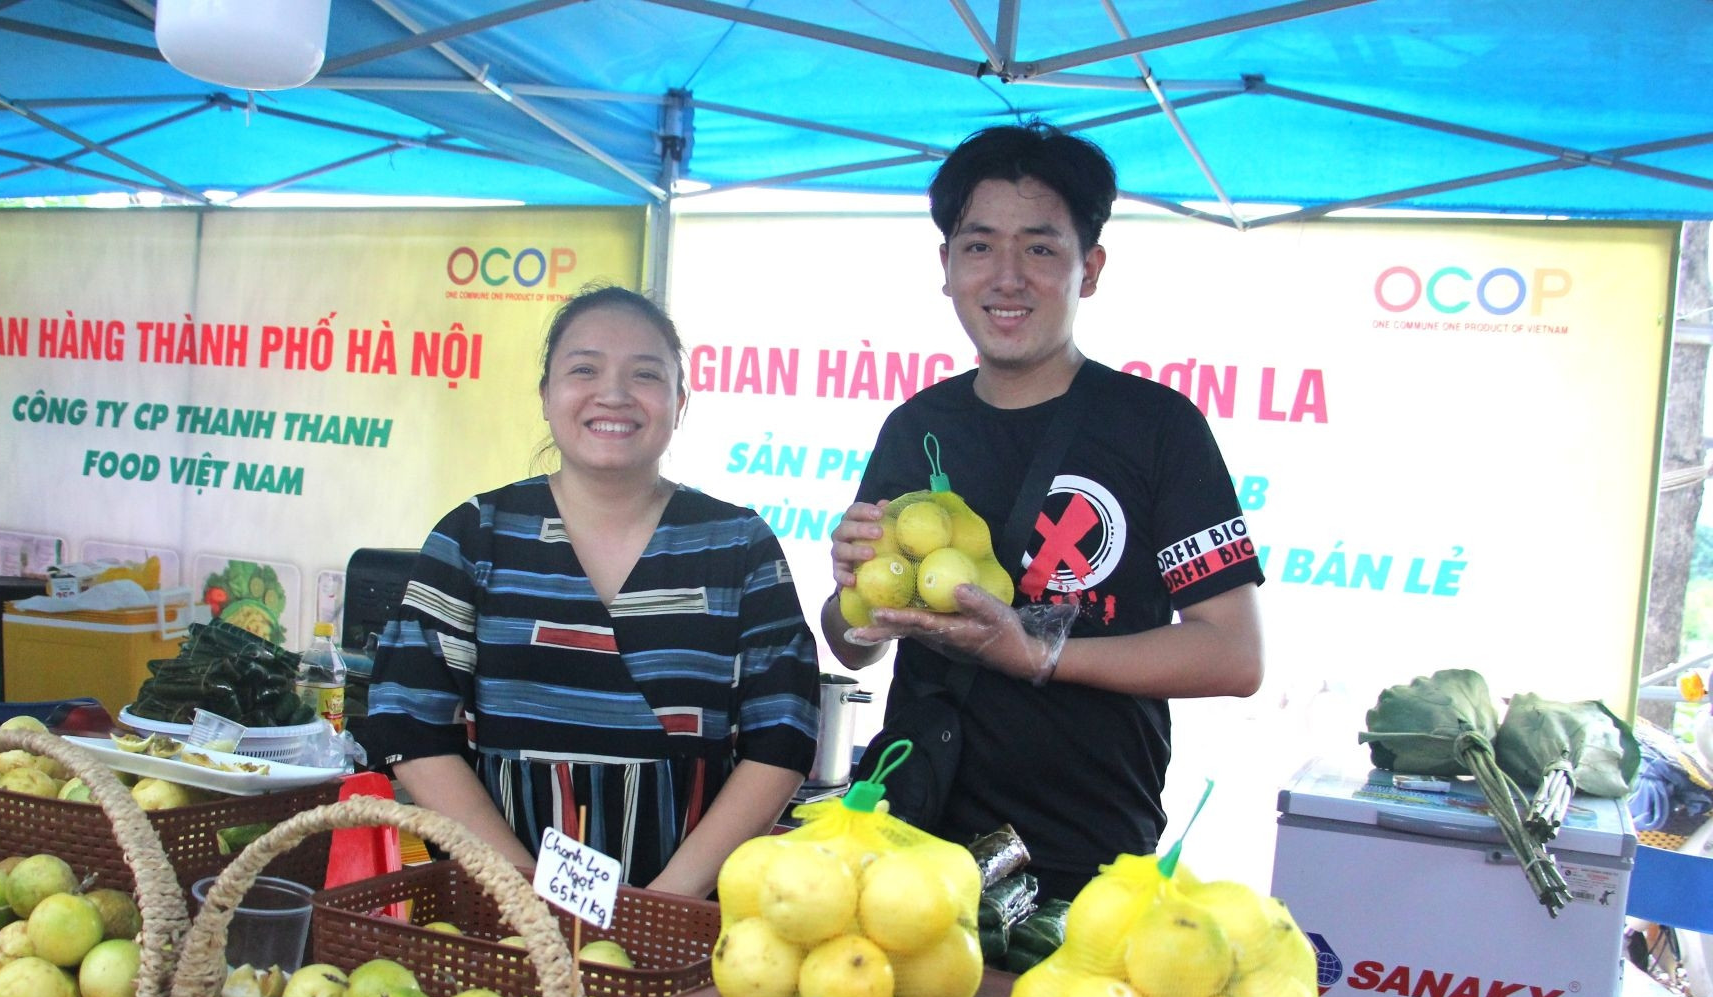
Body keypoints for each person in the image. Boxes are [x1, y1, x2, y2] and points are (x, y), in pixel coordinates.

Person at [822, 123, 1265, 902]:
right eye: (980, 246)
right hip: (912, 833)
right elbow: (854, 648)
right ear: (947, 265)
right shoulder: (916, 427)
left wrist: (1040, 654)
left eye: (1040, 248)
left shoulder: (1157, 428)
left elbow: (1232, 655)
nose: (1007, 277)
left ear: (1088, 268)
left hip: (1079, 849)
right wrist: (850, 593)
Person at [364, 285, 821, 897]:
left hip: (688, 918)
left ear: (680, 402)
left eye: (645, 374)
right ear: (547, 396)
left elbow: (784, 733)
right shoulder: (475, 536)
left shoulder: (738, 546)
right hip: (504, 910)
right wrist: (522, 892)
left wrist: (667, 902)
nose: (613, 394)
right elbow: (410, 725)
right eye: (584, 369)